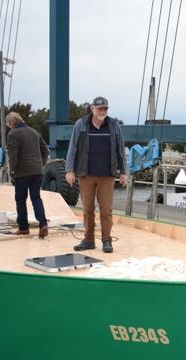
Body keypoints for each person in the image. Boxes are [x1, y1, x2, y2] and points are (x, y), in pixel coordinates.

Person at [65, 96, 128, 253]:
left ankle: (106, 240)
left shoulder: (114, 125)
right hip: (86, 175)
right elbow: (73, 148)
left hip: (107, 175)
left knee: (106, 210)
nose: (103, 111)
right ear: (92, 109)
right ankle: (88, 240)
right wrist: (69, 170)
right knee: (87, 210)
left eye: (105, 109)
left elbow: (120, 150)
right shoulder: (81, 124)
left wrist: (124, 172)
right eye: (100, 108)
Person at [6, 111, 49, 238]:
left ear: (12, 123)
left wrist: (12, 170)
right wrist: (41, 164)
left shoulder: (13, 134)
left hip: (22, 172)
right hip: (38, 171)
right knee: (36, 198)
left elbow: (13, 155)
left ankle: (23, 227)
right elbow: (45, 150)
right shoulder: (34, 132)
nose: (8, 127)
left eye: (8, 124)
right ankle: (43, 224)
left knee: (20, 199)